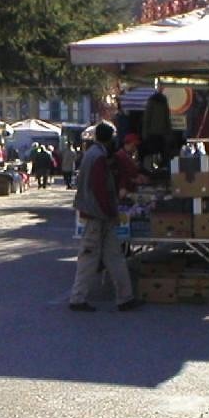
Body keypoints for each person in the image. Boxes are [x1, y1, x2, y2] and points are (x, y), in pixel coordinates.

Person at [69, 121, 141, 312]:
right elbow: (100, 189)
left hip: (96, 212)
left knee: (108, 255)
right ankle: (81, 298)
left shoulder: (91, 155)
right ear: (110, 138)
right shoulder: (98, 157)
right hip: (98, 213)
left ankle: (125, 297)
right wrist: (110, 211)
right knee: (96, 255)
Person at [112, 133, 149, 198]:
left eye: (136, 146)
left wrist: (139, 176)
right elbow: (120, 176)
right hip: (123, 191)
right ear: (127, 144)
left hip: (131, 189)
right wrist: (134, 180)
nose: (135, 148)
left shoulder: (129, 156)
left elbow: (131, 173)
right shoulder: (119, 156)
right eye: (134, 145)